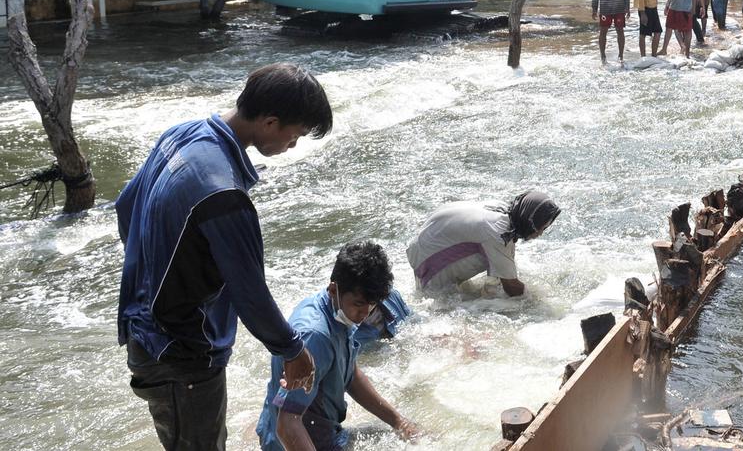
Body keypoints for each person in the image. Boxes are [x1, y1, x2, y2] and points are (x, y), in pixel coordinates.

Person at [117, 63, 333, 451]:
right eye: (295, 135)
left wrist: (156, 277)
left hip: (144, 329)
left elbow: (126, 207)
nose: (293, 146)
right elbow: (250, 293)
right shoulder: (224, 195)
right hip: (182, 354)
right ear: (270, 122)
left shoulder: (181, 134)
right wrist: (293, 350)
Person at [256, 242, 419, 451]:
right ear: (333, 289)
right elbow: (287, 424)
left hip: (323, 430)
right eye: (359, 304)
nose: (365, 314)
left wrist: (399, 422)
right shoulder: (315, 336)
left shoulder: (339, 313)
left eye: (371, 305)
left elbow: (351, 375)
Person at [406, 190, 561, 297]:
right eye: (541, 227)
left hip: (423, 245)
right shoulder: (498, 233)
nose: (541, 233)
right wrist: (537, 300)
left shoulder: (503, 210)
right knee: (444, 303)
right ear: (529, 221)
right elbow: (512, 288)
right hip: (430, 264)